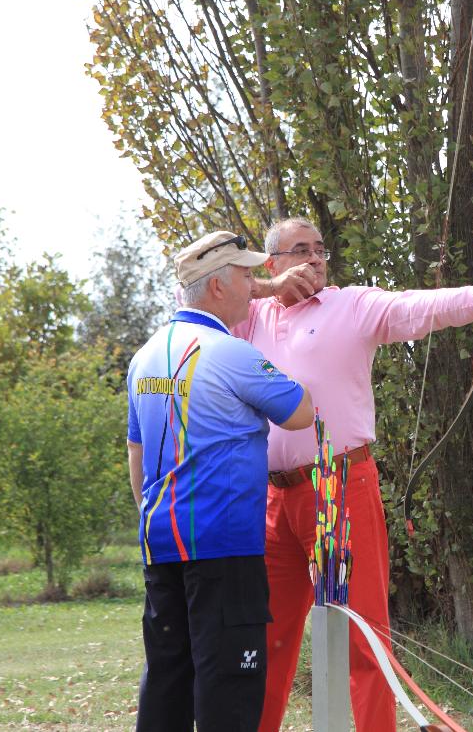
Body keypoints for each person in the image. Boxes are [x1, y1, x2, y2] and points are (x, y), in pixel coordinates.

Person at [233, 217, 473, 732]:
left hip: (338, 488)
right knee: (268, 639)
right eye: (301, 250)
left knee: (363, 636)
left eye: (321, 249)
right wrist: (267, 288)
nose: (316, 258)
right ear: (272, 262)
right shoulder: (247, 314)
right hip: (273, 500)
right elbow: (193, 291)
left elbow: (415, 308)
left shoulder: (350, 306)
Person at [127, 230, 314, 732]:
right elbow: (300, 412)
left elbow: (136, 453)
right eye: (246, 275)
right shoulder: (229, 352)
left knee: (167, 678)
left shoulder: (145, 355)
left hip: (161, 543)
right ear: (217, 289)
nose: (254, 285)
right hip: (224, 547)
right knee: (228, 687)